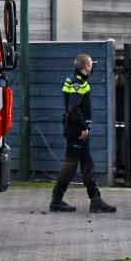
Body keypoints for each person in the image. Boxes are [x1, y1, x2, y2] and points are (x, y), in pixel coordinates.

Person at [49, 54, 116, 214]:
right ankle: (59, 200)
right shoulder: (80, 84)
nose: (93, 66)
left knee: (82, 165)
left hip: (73, 129)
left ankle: (93, 200)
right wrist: (84, 127)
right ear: (86, 67)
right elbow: (73, 107)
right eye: (91, 64)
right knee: (75, 165)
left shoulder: (71, 80)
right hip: (77, 131)